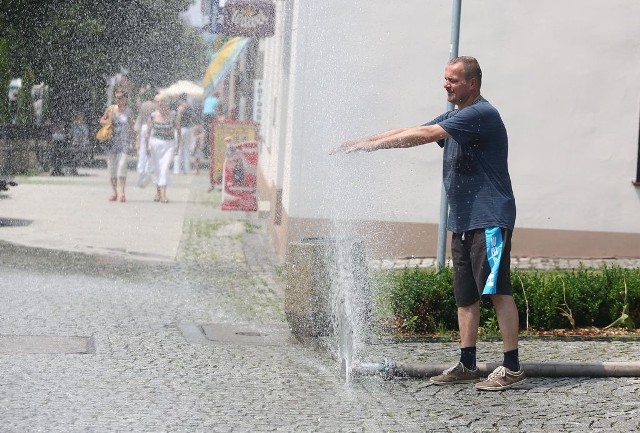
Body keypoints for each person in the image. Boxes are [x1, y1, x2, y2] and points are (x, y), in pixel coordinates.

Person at [333, 56, 524, 391]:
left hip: (489, 219)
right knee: (466, 296)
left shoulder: (481, 114)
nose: (445, 84)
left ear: (472, 84)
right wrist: (363, 142)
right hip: (464, 220)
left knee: (497, 291)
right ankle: (467, 364)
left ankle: (512, 367)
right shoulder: (456, 116)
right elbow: (408, 129)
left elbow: (423, 135)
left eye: (452, 80)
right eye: (445, 78)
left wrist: (370, 146)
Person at [99, 88, 134, 202]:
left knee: (122, 167)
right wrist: (108, 122)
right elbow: (101, 120)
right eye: (117, 97)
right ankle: (114, 192)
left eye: (121, 97)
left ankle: (122, 193)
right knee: (112, 169)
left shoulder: (128, 111)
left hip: (124, 143)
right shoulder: (111, 109)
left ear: (125, 99)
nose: (118, 100)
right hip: (111, 143)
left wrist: (134, 143)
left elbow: (132, 128)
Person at [145, 94, 180, 203]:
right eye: (158, 101)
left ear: (167, 102)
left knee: (164, 168)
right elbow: (147, 132)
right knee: (157, 169)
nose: (160, 103)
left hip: (169, 144)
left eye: (163, 101)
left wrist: (178, 146)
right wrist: (147, 147)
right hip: (155, 144)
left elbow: (178, 131)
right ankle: (158, 192)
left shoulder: (173, 115)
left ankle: (163, 195)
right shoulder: (153, 116)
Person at [134, 94, 156, 186]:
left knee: (143, 149)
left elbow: (140, 114)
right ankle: (149, 168)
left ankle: (141, 168)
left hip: (143, 126)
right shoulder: (153, 105)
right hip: (150, 127)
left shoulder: (143, 105)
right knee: (150, 148)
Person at [174, 93, 197, 175]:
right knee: (186, 150)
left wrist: (177, 128)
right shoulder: (189, 107)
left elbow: (178, 119)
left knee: (178, 149)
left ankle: (177, 170)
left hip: (180, 129)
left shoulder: (180, 108)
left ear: (180, 99)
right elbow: (192, 119)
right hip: (188, 129)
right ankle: (186, 169)